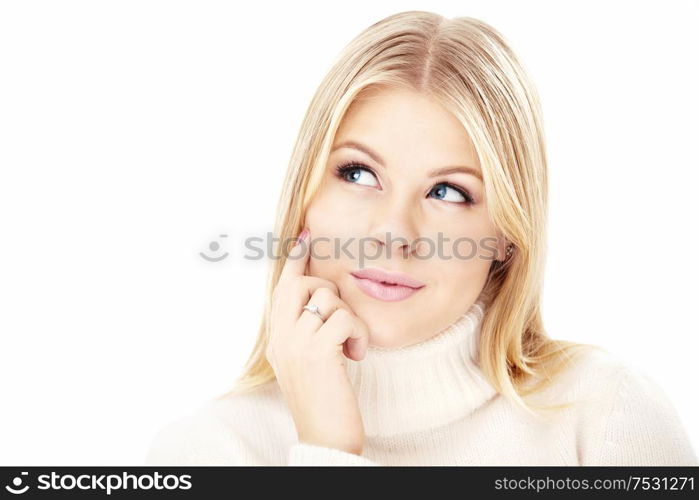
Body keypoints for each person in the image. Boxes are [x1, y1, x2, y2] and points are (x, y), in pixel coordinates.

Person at [144, 10, 698, 466]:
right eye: (358, 174)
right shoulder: (205, 453)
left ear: (506, 235)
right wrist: (328, 449)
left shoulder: (604, 418)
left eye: (449, 193)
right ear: (304, 197)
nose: (394, 233)